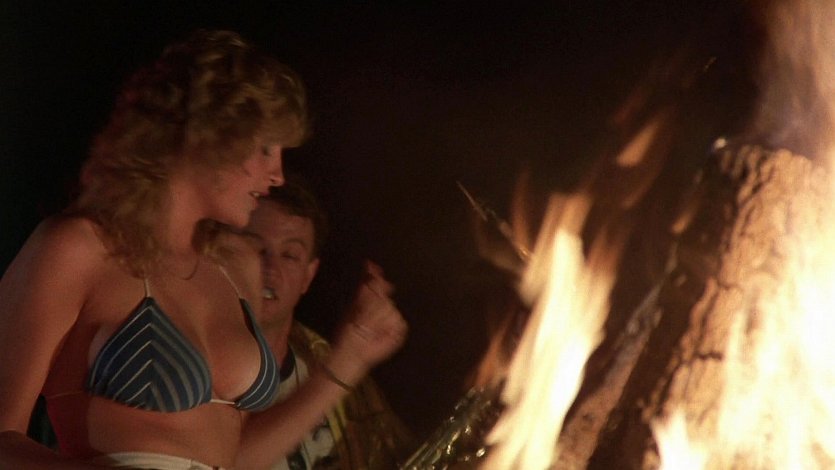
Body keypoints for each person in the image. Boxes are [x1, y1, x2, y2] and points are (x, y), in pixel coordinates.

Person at [0, 29, 407, 470]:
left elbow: (237, 457)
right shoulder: (78, 248)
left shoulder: (236, 265)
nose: (277, 175)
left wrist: (348, 359)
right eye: (266, 149)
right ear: (206, 137)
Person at [243, 178, 415, 469]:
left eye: (289, 255)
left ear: (308, 276)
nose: (270, 269)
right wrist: (346, 363)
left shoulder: (318, 358)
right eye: (257, 248)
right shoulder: (196, 365)